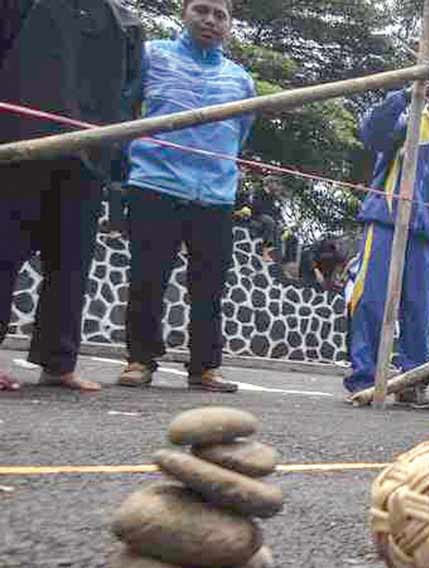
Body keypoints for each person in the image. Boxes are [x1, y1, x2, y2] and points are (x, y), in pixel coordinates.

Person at [0, 0, 142, 392]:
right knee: (3, 251)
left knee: (71, 260)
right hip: (20, 145)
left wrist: (111, 154)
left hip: (88, 154)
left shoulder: (126, 22)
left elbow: (128, 93)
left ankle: (58, 363)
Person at [117, 0, 254, 393]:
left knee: (210, 286)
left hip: (216, 195)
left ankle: (205, 368)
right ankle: (140, 360)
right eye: (201, 10)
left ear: (230, 24)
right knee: (147, 278)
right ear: (184, 12)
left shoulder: (240, 80)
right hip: (154, 183)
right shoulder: (151, 56)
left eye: (220, 14)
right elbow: (127, 108)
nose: (210, 20)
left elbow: (239, 135)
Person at [342, 76, 429, 407]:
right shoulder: (406, 125)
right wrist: (406, 95)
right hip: (385, 225)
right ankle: (364, 380)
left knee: (419, 312)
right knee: (370, 301)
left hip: (428, 240)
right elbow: (371, 132)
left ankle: (412, 382)